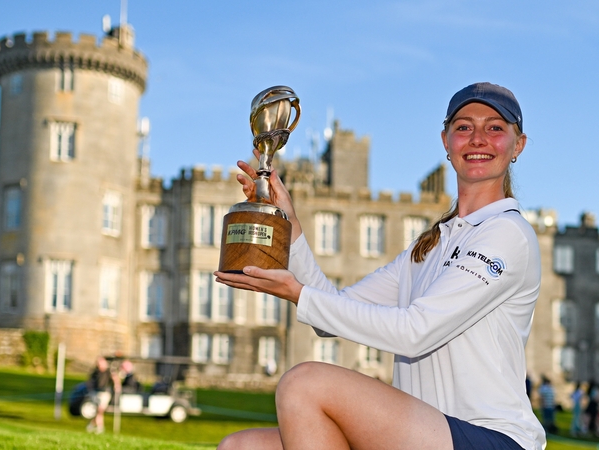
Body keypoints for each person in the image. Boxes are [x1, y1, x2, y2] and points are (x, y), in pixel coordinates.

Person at [215, 82, 544, 449]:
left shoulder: (507, 233)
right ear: (446, 142)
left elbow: (415, 331)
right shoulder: (431, 244)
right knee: (241, 446)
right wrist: (289, 226)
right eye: (464, 127)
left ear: (518, 145)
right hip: (421, 431)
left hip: (491, 437)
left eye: (495, 128)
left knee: (303, 382)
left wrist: (298, 293)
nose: (478, 138)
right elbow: (332, 311)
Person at [86, 356, 117, 434]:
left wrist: (116, 385)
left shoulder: (109, 372)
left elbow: (115, 381)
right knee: (98, 411)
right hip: (96, 393)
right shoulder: (95, 372)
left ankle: (98, 427)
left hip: (105, 393)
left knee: (100, 410)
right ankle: (94, 426)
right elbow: (90, 382)